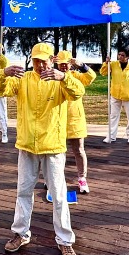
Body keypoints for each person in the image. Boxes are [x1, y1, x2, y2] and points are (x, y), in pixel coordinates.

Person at [0, 42, 84, 255]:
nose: (40, 64)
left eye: (44, 60)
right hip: (26, 146)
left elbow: (78, 92)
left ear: (52, 59)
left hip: (52, 147)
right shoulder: (23, 79)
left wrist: (64, 78)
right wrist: (2, 73)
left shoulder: (60, 80)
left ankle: (65, 240)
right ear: (31, 60)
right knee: (23, 191)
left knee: (59, 195)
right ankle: (21, 233)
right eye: (35, 60)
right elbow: (0, 89)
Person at [54, 51, 96, 193]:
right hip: (57, 120)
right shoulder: (53, 76)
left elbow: (91, 77)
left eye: (66, 63)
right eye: (61, 64)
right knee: (57, 153)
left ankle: (82, 178)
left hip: (75, 120)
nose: (64, 66)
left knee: (79, 150)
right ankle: (55, 178)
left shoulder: (76, 76)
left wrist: (81, 65)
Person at [99, 48, 129, 145]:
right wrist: (106, 63)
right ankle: (111, 136)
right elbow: (103, 72)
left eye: (122, 55)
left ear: (128, 56)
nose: (120, 57)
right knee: (113, 116)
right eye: (119, 54)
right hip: (115, 95)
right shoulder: (113, 64)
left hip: (128, 96)